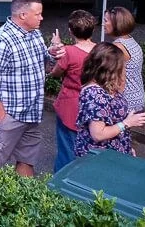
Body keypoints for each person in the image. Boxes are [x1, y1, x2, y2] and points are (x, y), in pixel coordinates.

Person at [0, 0, 66, 177]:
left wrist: (52, 52)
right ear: (23, 15)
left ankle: (26, 200)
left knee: (27, 160)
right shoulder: (1, 40)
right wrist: (1, 115)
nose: (42, 18)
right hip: (10, 115)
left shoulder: (34, 33)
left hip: (31, 113)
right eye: (38, 14)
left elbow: (44, 60)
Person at [75, 42, 145, 158]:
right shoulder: (94, 93)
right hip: (100, 159)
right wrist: (127, 123)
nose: (124, 69)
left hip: (114, 154)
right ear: (110, 68)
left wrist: (127, 147)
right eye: (121, 65)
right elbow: (98, 134)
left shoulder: (106, 87)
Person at [48, 10, 98, 172]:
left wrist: (56, 45)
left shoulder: (69, 52)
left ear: (70, 30)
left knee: (67, 148)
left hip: (70, 104)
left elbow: (56, 73)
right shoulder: (100, 50)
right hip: (93, 104)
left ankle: (62, 186)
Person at [103, 7, 145, 113]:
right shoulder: (130, 40)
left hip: (126, 100)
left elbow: (119, 81)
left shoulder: (118, 47)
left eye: (106, 21)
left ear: (116, 24)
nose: (103, 24)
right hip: (137, 96)